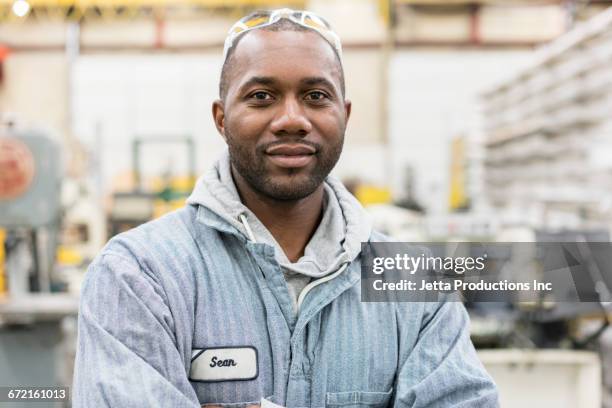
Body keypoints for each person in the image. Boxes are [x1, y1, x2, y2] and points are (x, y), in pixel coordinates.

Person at [73, 8, 498, 407]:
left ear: (344, 115)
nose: (291, 118)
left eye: (315, 95)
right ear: (221, 118)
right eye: (261, 96)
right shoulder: (140, 276)